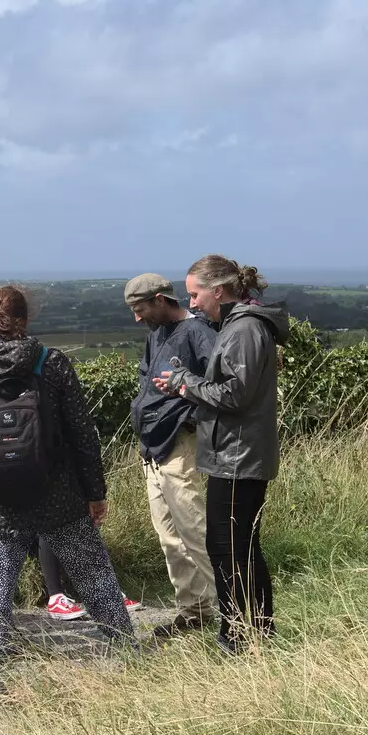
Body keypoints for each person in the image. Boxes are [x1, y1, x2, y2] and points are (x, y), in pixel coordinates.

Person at [0, 286, 135, 672]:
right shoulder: (51, 363)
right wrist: (95, 492)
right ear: (26, 320)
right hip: (58, 494)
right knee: (95, 577)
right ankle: (128, 655)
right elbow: (82, 433)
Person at [156, 255, 290, 654]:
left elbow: (235, 394)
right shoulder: (238, 325)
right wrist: (188, 387)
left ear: (218, 290)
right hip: (234, 452)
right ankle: (255, 633)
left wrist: (184, 382)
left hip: (238, 456)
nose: (192, 303)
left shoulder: (245, 328)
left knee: (228, 547)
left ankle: (239, 636)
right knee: (237, 545)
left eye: (195, 294)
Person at [125, 272, 218, 638]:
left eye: (141, 308)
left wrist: (189, 418)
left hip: (181, 444)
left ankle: (235, 613)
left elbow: (220, 385)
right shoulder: (156, 335)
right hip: (153, 447)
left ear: (162, 299)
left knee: (195, 531)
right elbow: (147, 381)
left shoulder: (198, 332)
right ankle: (194, 610)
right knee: (169, 536)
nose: (137, 317)